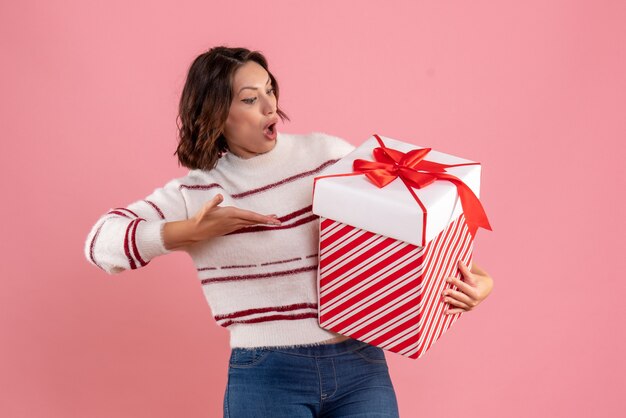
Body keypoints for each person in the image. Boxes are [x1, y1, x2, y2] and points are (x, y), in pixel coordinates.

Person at [84, 46, 494, 418]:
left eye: (270, 90)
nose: (270, 107)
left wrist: (478, 281)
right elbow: (100, 243)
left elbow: (402, 231)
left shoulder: (327, 155)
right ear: (214, 113)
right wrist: (189, 231)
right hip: (266, 374)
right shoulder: (197, 192)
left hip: (360, 363)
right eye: (249, 99)